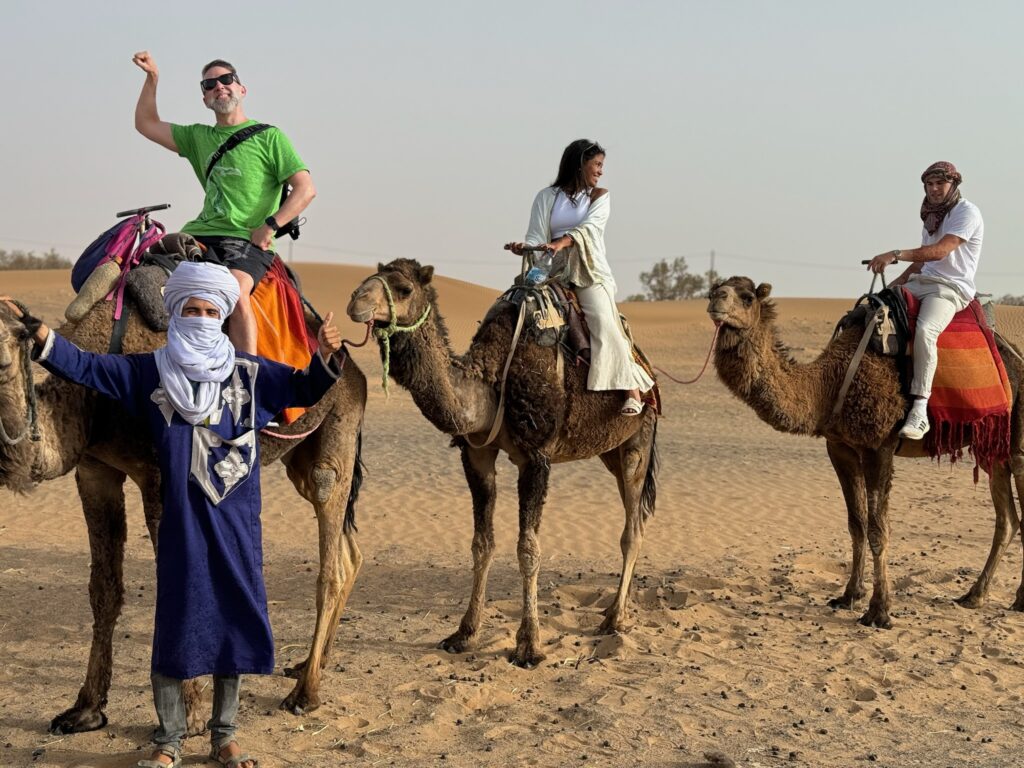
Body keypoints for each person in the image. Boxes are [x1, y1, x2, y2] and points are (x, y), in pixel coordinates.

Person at [3, 262, 343, 768]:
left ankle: (224, 735)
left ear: (224, 315)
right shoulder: (153, 373)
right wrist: (38, 332)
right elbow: (90, 368)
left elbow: (301, 389)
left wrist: (325, 358)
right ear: (177, 313)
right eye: (192, 309)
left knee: (231, 621)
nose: (203, 318)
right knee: (178, 621)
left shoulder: (250, 374)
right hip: (181, 517)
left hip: (236, 519)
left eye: (212, 311)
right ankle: (169, 740)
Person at [132, 51, 316, 355]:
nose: (219, 86)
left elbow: (305, 189)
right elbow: (146, 123)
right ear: (205, 99)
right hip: (199, 233)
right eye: (209, 84)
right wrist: (152, 78)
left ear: (241, 89)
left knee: (233, 291)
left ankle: (247, 372)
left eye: (226, 79)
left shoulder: (270, 138)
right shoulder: (196, 137)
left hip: (246, 240)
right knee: (141, 274)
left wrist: (270, 225)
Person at [505, 139, 654, 415]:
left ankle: (631, 392)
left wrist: (561, 242)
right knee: (513, 307)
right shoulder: (546, 197)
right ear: (579, 163)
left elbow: (589, 228)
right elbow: (536, 235)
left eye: (601, 165)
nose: (600, 171)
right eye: (596, 164)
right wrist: (525, 248)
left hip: (587, 271)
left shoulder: (599, 196)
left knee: (603, 321)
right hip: (551, 270)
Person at [866, 161, 984, 440]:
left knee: (925, 331)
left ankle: (920, 409)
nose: (933, 189)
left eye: (939, 184)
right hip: (923, 282)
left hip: (950, 289)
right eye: (929, 185)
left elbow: (940, 251)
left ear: (953, 184)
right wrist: (895, 284)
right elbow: (922, 260)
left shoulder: (966, 212)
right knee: (873, 311)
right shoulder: (931, 214)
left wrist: (894, 254)